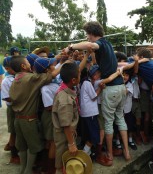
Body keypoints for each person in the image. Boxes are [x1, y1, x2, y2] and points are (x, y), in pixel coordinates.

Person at [64, 21, 130, 164]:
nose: (87, 38)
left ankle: (110, 155)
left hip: (110, 87)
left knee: (107, 123)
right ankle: (127, 151)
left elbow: (89, 45)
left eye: (88, 35)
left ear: (92, 34)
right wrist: (90, 54)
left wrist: (71, 46)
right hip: (120, 87)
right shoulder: (108, 44)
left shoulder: (98, 43)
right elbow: (94, 54)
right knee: (120, 119)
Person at [9, 55, 62, 174]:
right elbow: (52, 75)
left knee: (22, 146)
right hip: (29, 120)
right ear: (23, 66)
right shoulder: (31, 79)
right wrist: (65, 63)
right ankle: (28, 170)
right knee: (33, 147)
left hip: (18, 119)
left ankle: (22, 169)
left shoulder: (15, 79)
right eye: (28, 62)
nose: (30, 64)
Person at [52, 62, 80, 174]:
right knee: (64, 163)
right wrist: (71, 143)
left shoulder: (65, 89)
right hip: (65, 136)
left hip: (66, 134)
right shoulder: (65, 100)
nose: (80, 76)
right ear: (73, 80)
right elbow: (66, 124)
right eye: (79, 75)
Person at [1, 57, 19, 164]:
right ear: (7, 68)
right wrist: (20, 99)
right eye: (13, 66)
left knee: (18, 131)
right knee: (13, 132)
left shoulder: (17, 77)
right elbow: (6, 97)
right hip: (12, 108)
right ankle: (14, 155)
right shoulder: (6, 81)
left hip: (20, 108)